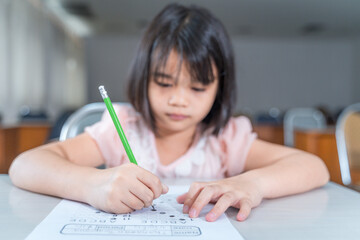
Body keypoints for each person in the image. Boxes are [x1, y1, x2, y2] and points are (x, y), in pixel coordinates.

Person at [9, 3, 329, 222]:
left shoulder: (225, 137)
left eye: (197, 88)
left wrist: (252, 184)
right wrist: (90, 184)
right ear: (143, 78)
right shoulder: (123, 126)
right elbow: (25, 165)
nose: (178, 100)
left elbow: (313, 167)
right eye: (164, 82)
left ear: (220, 88)